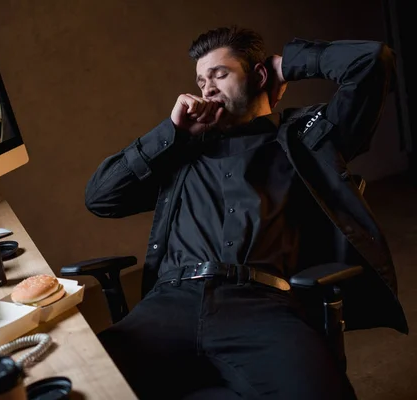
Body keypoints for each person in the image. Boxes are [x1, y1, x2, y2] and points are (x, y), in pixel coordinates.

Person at [84, 26, 408, 399]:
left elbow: (372, 61)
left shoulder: (306, 139)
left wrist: (287, 65)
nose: (207, 88)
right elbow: (101, 198)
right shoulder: (180, 150)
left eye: (220, 74)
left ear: (258, 76)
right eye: (201, 80)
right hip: (169, 303)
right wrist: (171, 131)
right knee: (83, 385)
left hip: (261, 305)